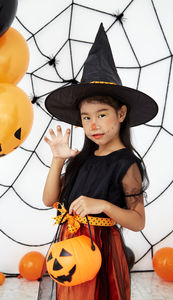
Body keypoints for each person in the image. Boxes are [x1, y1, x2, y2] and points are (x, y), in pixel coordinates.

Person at [38, 23, 158, 300]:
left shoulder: (126, 164)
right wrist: (57, 160)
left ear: (121, 113)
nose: (94, 124)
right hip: (69, 245)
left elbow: (138, 221)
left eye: (102, 114)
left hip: (100, 249)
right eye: (86, 117)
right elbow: (49, 200)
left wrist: (102, 205)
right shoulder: (82, 159)